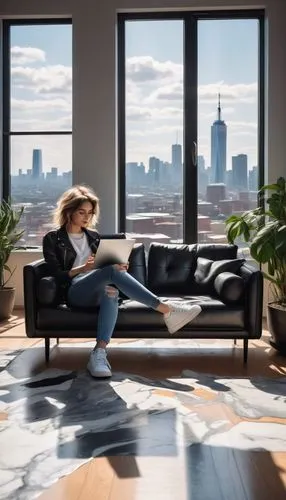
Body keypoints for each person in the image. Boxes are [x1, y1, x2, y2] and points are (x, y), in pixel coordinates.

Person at [43, 185, 202, 378]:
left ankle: (99, 354)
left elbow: (102, 265)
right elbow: (56, 274)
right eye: (81, 212)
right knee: (110, 274)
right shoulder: (52, 239)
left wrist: (117, 267)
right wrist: (83, 268)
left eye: (90, 213)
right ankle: (167, 310)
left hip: (98, 287)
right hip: (74, 291)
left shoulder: (93, 236)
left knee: (112, 291)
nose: (86, 217)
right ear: (69, 211)